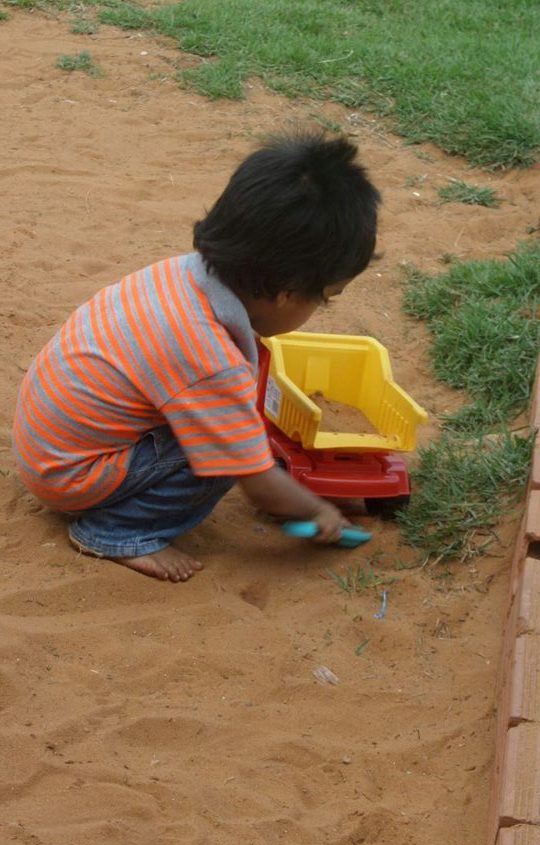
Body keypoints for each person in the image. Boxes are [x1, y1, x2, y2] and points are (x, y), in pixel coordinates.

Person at [12, 131, 381, 583]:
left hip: (45, 439)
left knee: (227, 431)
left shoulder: (179, 274)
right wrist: (316, 510)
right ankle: (117, 531)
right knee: (222, 458)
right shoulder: (209, 358)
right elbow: (255, 478)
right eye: (326, 297)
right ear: (286, 293)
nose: (321, 306)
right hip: (71, 474)